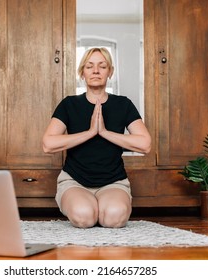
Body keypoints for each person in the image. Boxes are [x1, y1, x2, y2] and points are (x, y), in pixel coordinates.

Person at [42, 47, 151, 228]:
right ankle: (91, 207)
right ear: (82, 73)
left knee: (114, 218)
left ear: (110, 72)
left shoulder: (123, 104)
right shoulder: (69, 104)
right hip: (74, 181)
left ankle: (101, 207)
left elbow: (145, 144)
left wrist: (105, 132)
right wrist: (90, 132)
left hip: (114, 182)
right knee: (84, 217)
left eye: (102, 66)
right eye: (89, 66)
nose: (95, 71)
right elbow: (48, 144)